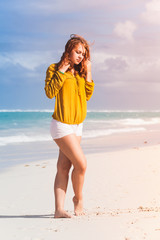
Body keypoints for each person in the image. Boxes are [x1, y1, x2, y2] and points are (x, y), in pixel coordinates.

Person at [44, 34, 94, 218]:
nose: (81, 56)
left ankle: (58, 210)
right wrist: (62, 71)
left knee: (63, 167)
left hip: (77, 126)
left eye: (83, 53)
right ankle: (78, 198)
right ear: (68, 51)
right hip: (61, 125)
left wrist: (88, 72)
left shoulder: (81, 73)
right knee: (81, 164)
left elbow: (87, 95)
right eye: (77, 52)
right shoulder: (55, 68)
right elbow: (50, 92)